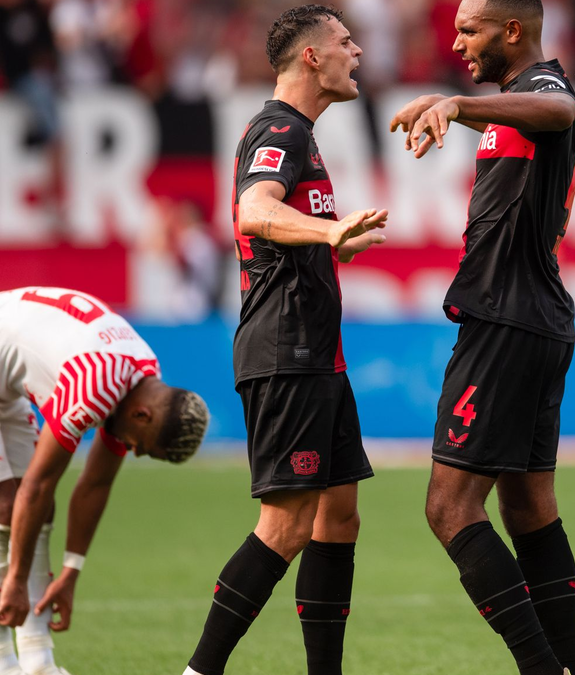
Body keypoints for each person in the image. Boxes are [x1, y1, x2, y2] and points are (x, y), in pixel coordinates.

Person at [182, 5, 387, 675]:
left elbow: (279, 232)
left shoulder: (304, 134)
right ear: (311, 58)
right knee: (286, 525)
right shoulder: (279, 129)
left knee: (340, 516)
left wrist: (336, 243)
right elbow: (255, 209)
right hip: (285, 351)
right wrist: (329, 232)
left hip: (317, 354)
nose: (357, 51)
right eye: (344, 42)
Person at [389, 0, 575, 674]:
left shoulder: (544, 89)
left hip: (507, 321)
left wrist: (458, 104)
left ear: (512, 30)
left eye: (469, 28)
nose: (456, 39)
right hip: (531, 317)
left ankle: (542, 667)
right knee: (528, 504)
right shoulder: (515, 102)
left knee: (449, 506)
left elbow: (561, 111)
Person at [0, 286, 209, 675]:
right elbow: (36, 485)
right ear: (143, 417)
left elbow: (95, 484)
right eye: (144, 448)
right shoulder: (98, 384)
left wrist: (70, 571)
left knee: (39, 513)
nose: (134, 451)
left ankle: (38, 662)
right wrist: (14, 579)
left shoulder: (142, 380)